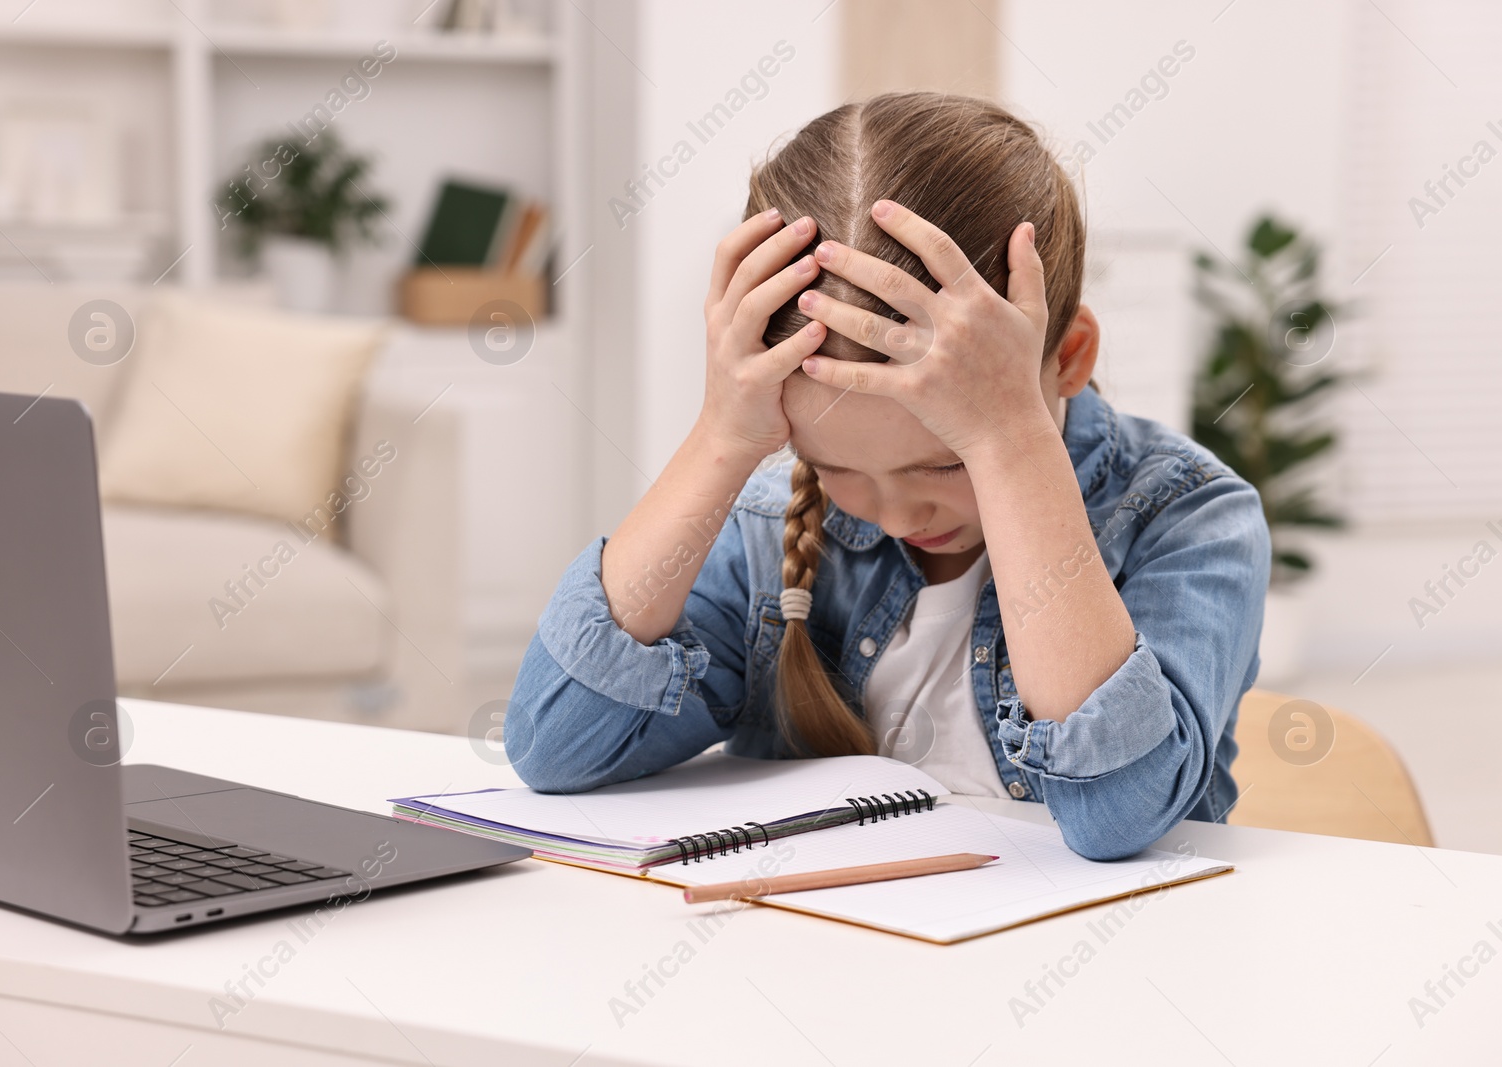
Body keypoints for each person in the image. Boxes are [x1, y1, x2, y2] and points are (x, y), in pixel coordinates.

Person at [505, 92, 1269, 861]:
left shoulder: (1188, 515)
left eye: (945, 461)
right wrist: (720, 438)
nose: (898, 515)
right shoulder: (771, 530)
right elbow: (555, 745)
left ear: (1066, 357)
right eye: (835, 466)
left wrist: (1010, 444)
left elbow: (1116, 813)